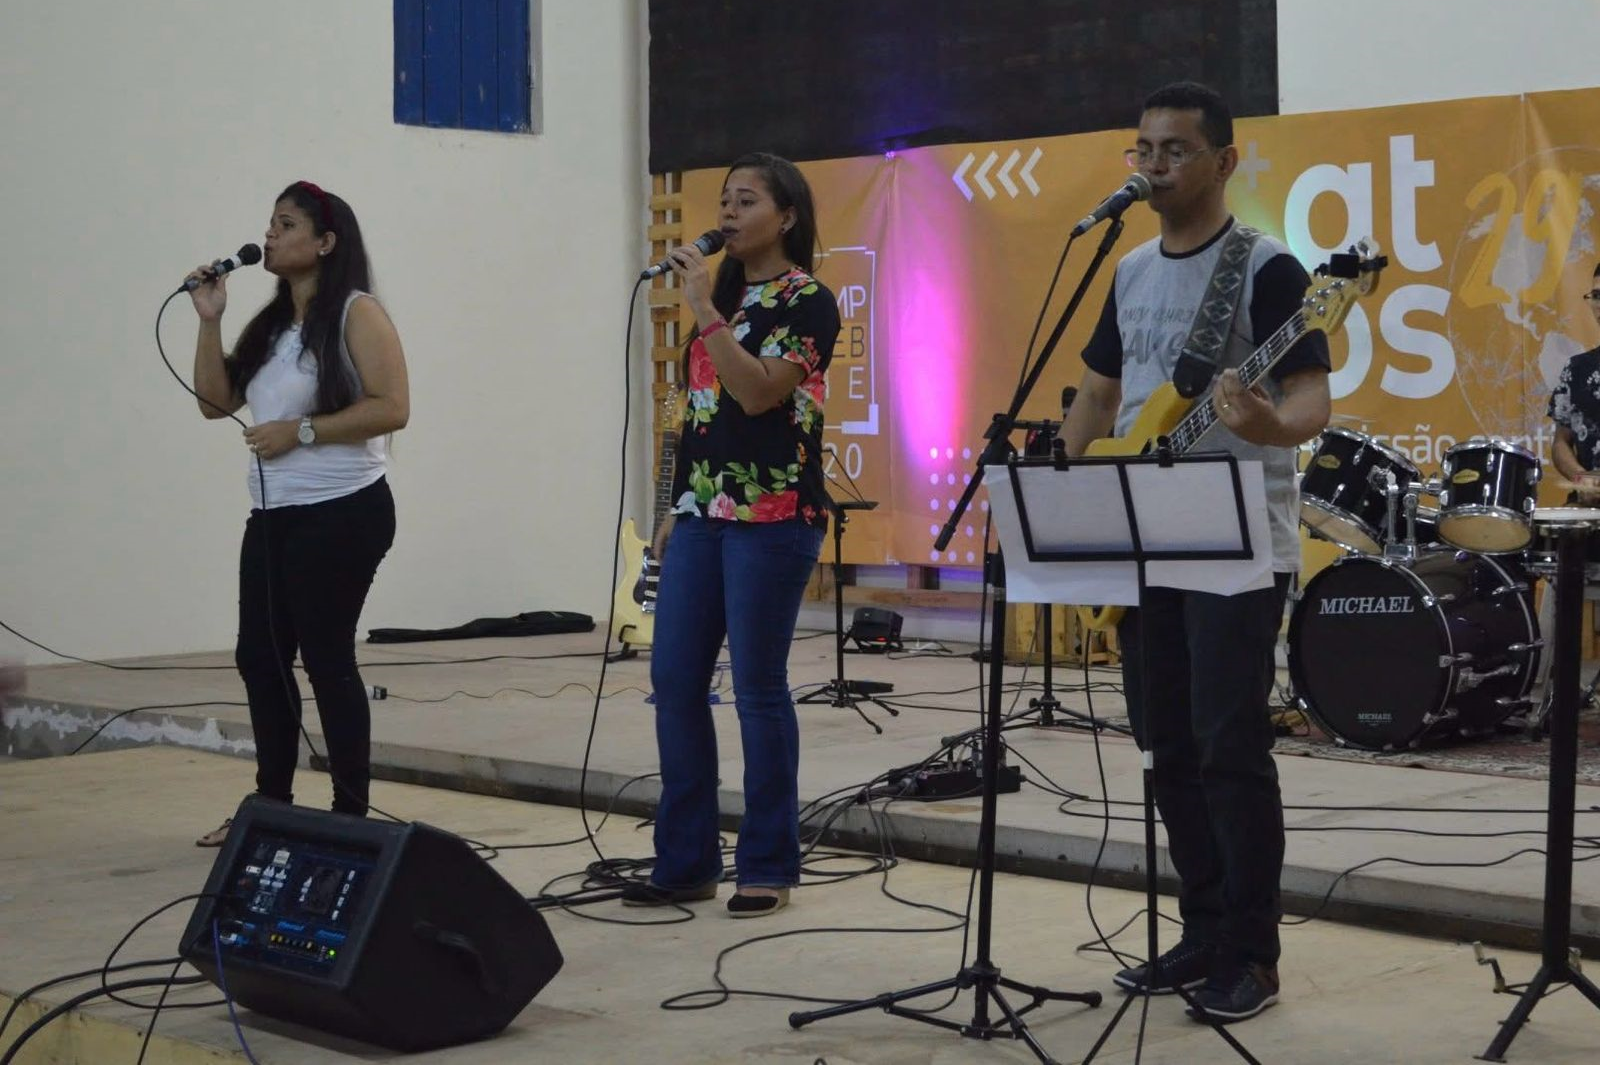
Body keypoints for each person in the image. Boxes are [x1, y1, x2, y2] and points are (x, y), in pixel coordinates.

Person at [1060, 82, 1332, 1022]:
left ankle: (1252, 952)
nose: (1154, 165)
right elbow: (1101, 396)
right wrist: (1060, 482)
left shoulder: (1266, 267)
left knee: (1229, 745)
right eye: (1143, 149)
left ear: (1224, 160)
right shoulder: (1131, 267)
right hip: (1147, 533)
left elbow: (1310, 399)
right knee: (1165, 744)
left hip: (1237, 542)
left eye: (1174, 150)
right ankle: (1203, 928)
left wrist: (1267, 422)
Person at [622, 153, 839, 917]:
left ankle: (768, 863)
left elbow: (754, 394)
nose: (728, 214)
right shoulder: (723, 295)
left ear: (787, 216)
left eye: (746, 201)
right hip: (701, 516)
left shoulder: (808, 301)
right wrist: (673, 505)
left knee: (757, 689)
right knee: (675, 682)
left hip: (773, 520)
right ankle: (685, 861)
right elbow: (699, 415)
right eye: (724, 201)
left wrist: (703, 311)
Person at [187, 181, 408, 846]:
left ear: (325, 241)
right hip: (274, 513)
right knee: (259, 656)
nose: (271, 235)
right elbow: (214, 403)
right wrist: (209, 319)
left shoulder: (358, 314)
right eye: (271, 223)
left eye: (286, 224)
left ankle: (349, 816)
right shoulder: (273, 325)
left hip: (343, 511)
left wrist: (301, 432)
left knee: (326, 657)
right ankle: (272, 803)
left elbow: (393, 407)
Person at [1547, 262, 1600, 500]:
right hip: (1588, 510)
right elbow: (1561, 442)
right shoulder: (1577, 368)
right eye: (1596, 296)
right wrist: (1581, 478)